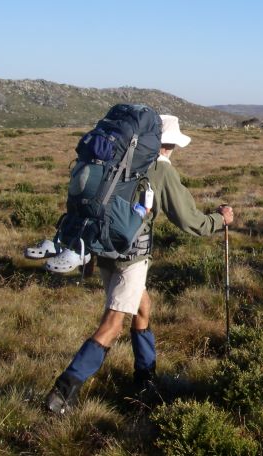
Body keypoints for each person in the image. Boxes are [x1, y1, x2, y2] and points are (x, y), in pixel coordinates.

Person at [44, 114, 234, 414]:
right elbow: (188, 219)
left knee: (143, 306)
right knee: (112, 324)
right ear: (169, 144)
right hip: (130, 256)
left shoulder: (120, 163)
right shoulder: (160, 169)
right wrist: (218, 220)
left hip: (105, 246)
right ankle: (63, 392)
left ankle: (145, 377)